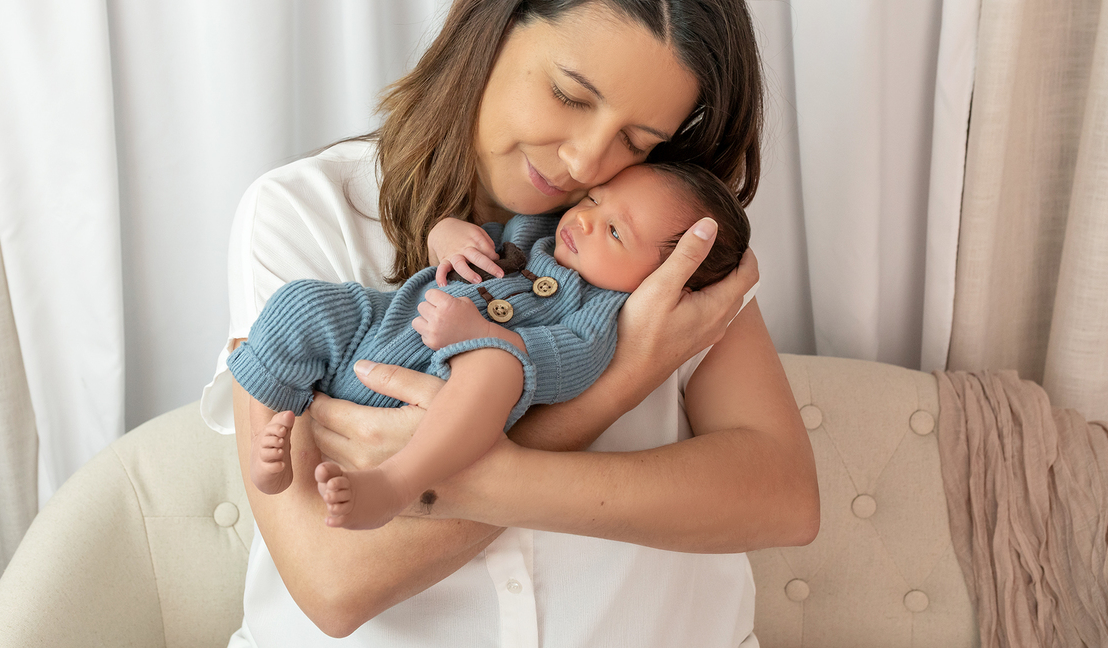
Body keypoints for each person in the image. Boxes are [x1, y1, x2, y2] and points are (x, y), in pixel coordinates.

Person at [201, 0, 818, 647]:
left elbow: (783, 497)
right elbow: (335, 582)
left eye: (639, 137)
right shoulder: (305, 211)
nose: (589, 161)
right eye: (568, 94)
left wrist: (477, 474)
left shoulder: (659, 233)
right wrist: (616, 383)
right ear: (490, 27)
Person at [230, 162, 751, 531]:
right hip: (381, 329)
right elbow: (471, 239)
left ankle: (394, 485)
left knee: (496, 369)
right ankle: (265, 448)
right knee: (301, 304)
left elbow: (574, 359)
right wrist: (446, 237)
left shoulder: (604, 308)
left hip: (445, 387)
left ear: (661, 281)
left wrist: (481, 337)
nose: (587, 218)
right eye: (595, 198)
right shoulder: (538, 232)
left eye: (615, 232)